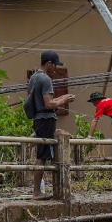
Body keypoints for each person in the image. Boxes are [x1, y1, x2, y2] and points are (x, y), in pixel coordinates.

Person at [27, 50, 76, 199]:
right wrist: (65, 100)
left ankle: (55, 189)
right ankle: (37, 192)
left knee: (46, 154)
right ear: (49, 63)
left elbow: (44, 102)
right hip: (46, 120)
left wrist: (62, 97)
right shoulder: (46, 79)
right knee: (42, 156)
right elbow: (49, 104)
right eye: (54, 65)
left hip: (38, 118)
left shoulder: (34, 77)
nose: (55, 68)